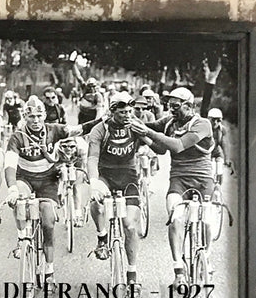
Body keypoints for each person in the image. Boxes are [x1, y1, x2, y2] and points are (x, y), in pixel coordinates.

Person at [4, 96, 95, 286]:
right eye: (31, 117)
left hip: (48, 181)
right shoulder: (17, 137)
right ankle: (22, 238)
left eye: (39, 116)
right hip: (25, 179)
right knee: (19, 199)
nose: (35, 121)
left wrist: (105, 118)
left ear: (44, 115)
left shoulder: (56, 129)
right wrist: (11, 188)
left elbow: (81, 129)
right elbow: (10, 164)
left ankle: (49, 270)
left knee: (48, 223)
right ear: (25, 117)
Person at [130, 87, 215, 285]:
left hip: (203, 179)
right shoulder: (169, 122)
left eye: (176, 106)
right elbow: (159, 147)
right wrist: (132, 124)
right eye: (169, 106)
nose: (171, 110)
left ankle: (207, 255)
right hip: (179, 179)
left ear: (189, 106)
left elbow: (177, 145)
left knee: (208, 219)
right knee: (175, 218)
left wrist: (148, 132)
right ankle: (178, 269)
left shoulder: (202, 124)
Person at [87, 91, 145, 286]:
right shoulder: (100, 129)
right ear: (112, 112)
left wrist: (149, 142)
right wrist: (94, 182)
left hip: (128, 176)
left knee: (129, 226)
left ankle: (132, 274)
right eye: (122, 112)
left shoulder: (136, 126)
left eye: (130, 111)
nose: (127, 115)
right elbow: (92, 158)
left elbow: (159, 146)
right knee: (96, 201)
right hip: (105, 174)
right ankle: (102, 237)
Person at [55, 135, 90, 227]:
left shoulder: (82, 147)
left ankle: (78, 214)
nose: (68, 149)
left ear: (76, 145)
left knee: (77, 183)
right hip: (61, 160)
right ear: (60, 145)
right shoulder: (56, 148)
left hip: (77, 160)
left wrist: (86, 175)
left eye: (71, 146)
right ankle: (60, 197)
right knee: (58, 176)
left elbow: (85, 164)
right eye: (65, 146)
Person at [207, 107, 230, 184]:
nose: (215, 122)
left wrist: (227, 159)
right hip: (207, 153)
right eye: (213, 120)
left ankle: (218, 187)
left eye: (218, 120)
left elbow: (224, 145)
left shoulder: (222, 130)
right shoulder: (204, 128)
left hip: (217, 152)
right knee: (211, 171)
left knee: (219, 170)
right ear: (208, 119)